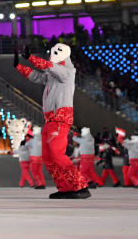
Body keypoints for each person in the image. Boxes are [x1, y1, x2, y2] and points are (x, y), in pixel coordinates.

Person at [14, 43, 90, 198]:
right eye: (53, 51)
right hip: (50, 119)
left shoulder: (68, 71)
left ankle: (80, 186)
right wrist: (19, 66)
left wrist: (31, 58)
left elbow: (50, 67)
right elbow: (37, 76)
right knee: (49, 157)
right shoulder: (52, 74)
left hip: (60, 117)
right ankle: (64, 187)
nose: (54, 53)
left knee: (57, 154)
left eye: (58, 51)